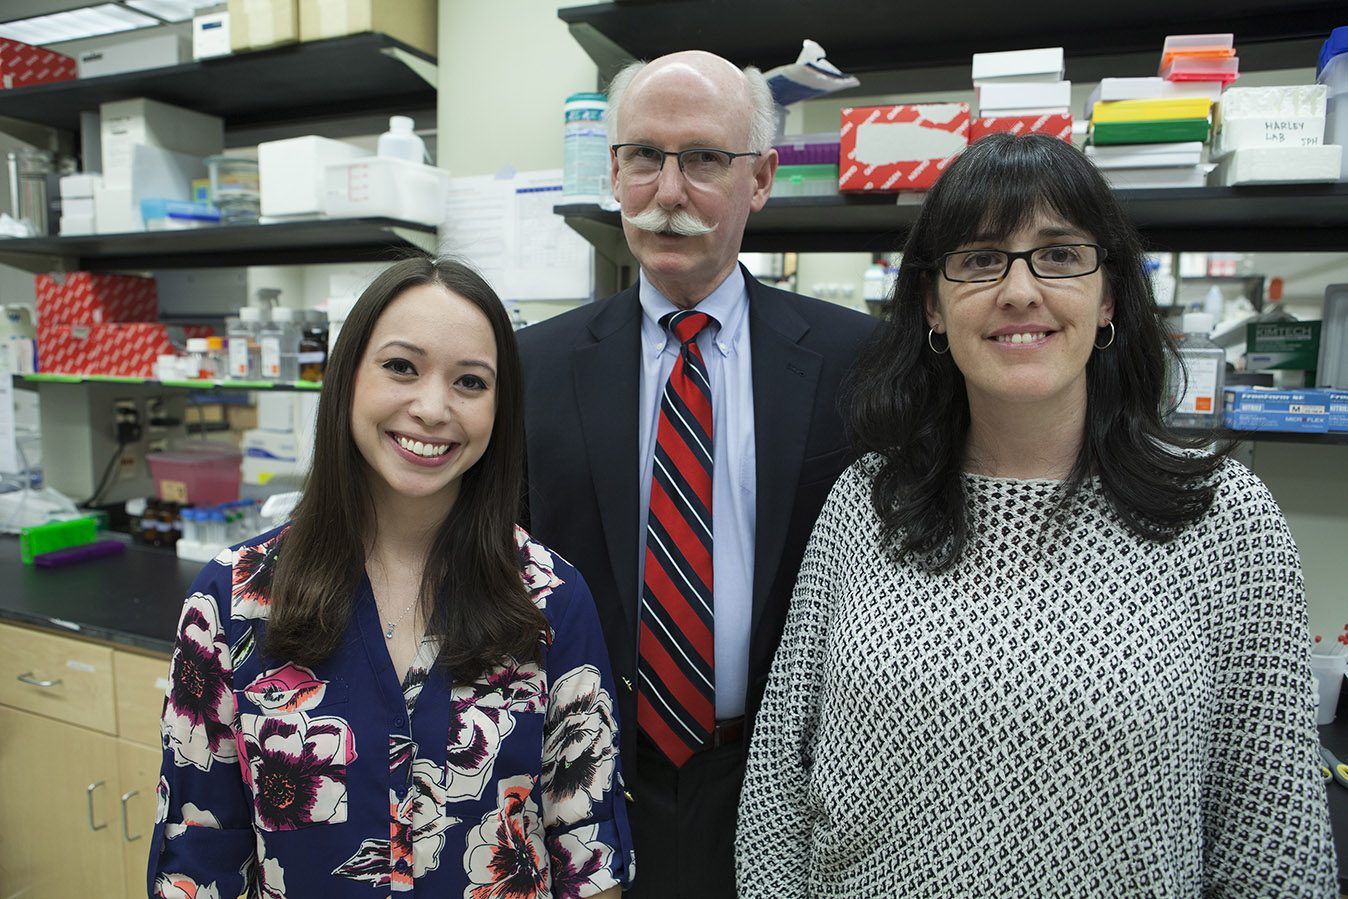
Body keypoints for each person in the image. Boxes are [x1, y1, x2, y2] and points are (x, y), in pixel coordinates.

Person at [736, 132, 1337, 897]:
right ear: (932, 302)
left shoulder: (1223, 519)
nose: (1020, 291)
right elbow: (776, 791)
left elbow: (1274, 846)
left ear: (1109, 293)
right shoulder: (868, 499)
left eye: (1058, 255)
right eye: (982, 259)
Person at [148, 255, 634, 899]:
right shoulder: (231, 600)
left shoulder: (550, 599)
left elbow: (587, 855)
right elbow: (196, 858)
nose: (432, 408)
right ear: (348, 376)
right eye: (401, 367)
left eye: (470, 382)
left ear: (500, 409)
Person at [518, 50, 877, 898]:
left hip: (785, 782)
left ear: (761, 179)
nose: (668, 191)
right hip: (587, 781)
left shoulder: (856, 361)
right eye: (645, 156)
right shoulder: (534, 366)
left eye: (705, 159)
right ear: (613, 172)